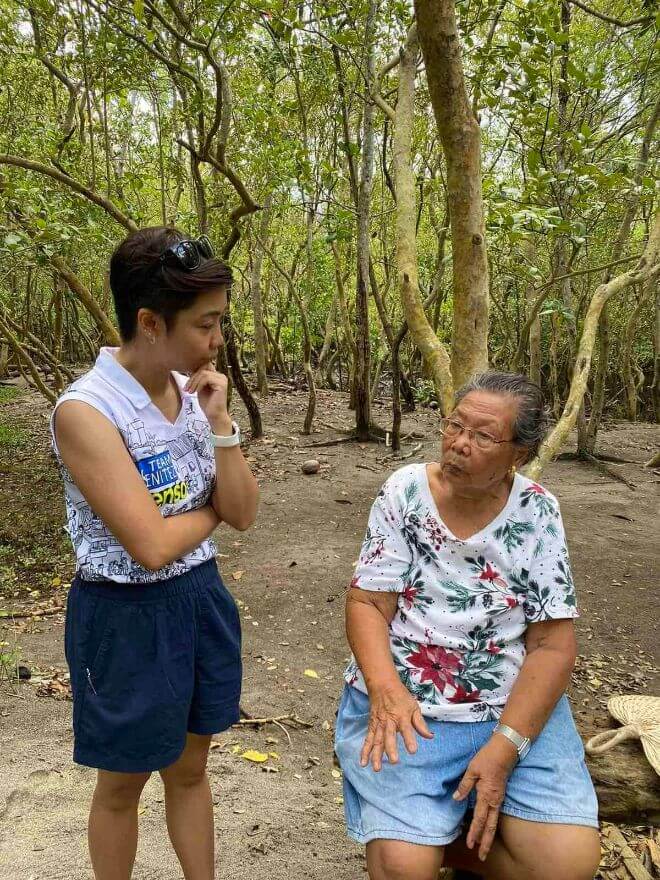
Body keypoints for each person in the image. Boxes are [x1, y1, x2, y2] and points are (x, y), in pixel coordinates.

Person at [50, 226, 259, 880]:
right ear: (148, 321)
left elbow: (245, 513)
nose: (217, 340)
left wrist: (223, 429)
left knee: (191, 770)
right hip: (125, 616)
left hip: (199, 601)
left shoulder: (195, 392)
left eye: (220, 321)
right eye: (206, 324)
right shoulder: (87, 411)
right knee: (123, 783)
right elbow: (147, 547)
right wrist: (211, 511)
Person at [335, 371, 600, 880]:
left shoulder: (538, 512)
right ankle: (427, 837)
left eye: (482, 436)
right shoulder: (405, 492)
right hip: (410, 703)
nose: (458, 444)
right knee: (402, 867)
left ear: (518, 453)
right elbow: (368, 602)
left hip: (506, 702)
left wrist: (504, 749)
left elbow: (551, 645)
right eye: (455, 426)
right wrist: (385, 689)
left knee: (567, 866)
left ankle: (445, 836)